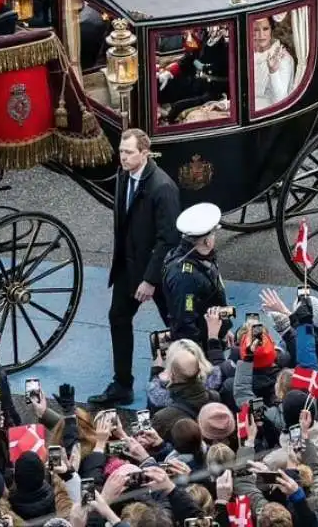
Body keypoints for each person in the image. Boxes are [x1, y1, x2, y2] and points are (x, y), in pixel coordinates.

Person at [88, 128, 180, 405]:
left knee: (179, 328)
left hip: (158, 273)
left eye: (128, 152)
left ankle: (190, 381)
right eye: (121, 151)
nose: (123, 157)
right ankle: (122, 384)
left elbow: (168, 240)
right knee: (118, 318)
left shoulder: (162, 188)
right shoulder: (123, 177)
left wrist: (150, 280)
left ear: (145, 153)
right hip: (129, 268)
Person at [162, 202, 234, 350]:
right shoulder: (185, 278)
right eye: (213, 234)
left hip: (211, 333)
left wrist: (224, 329)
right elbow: (186, 319)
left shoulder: (202, 258)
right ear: (207, 241)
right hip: (200, 345)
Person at [253, 16, 295, 109]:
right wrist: (226, 105)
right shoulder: (248, 54)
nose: (261, 34)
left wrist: (273, 71)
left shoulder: (283, 58)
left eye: (265, 29)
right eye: (256, 30)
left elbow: (280, 101)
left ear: (271, 30)